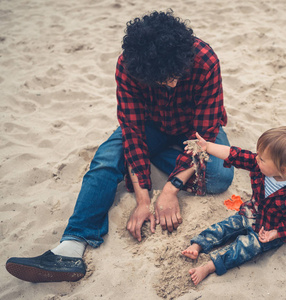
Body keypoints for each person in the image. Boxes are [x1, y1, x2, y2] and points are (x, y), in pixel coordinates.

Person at [5, 10, 234, 283]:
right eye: (163, 79)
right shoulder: (129, 66)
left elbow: (206, 132)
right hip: (150, 125)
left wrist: (171, 189)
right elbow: (133, 132)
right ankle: (71, 245)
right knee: (106, 158)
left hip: (195, 130)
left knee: (221, 175)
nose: (172, 82)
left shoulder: (204, 60)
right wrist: (143, 200)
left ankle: (149, 162)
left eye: (175, 74)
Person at [182, 126, 286, 285]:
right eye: (258, 155)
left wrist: (276, 233)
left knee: (244, 248)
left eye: (262, 159)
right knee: (226, 226)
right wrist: (208, 146)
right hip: (252, 212)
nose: (257, 158)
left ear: (283, 169)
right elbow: (235, 154)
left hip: (268, 230)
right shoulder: (259, 164)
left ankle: (210, 266)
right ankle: (198, 245)